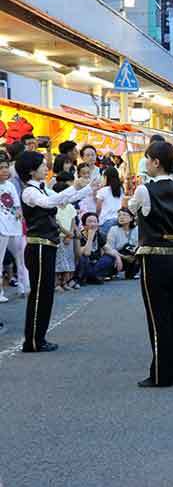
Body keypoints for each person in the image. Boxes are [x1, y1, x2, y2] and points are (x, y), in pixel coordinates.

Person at [17, 150, 96, 353]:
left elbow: (63, 200)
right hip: (39, 246)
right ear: (31, 170)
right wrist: (76, 187)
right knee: (40, 294)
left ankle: (39, 338)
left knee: (46, 294)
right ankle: (33, 340)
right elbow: (50, 203)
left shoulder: (43, 188)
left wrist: (88, 189)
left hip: (47, 245)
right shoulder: (29, 192)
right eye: (42, 165)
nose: (46, 168)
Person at [128, 141, 173, 388]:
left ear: (155, 162)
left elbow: (134, 210)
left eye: (147, 158)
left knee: (157, 316)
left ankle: (160, 373)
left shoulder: (145, 190)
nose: (145, 163)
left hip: (153, 256)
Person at [0, 155, 26, 302]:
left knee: (21, 257)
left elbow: (17, 205)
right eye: (1, 168)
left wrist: (19, 213)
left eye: (6, 167)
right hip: (1, 228)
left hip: (14, 227)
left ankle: (23, 285)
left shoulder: (10, 185)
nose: (4, 170)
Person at [76, 213, 122, 285]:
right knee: (84, 258)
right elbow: (86, 253)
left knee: (109, 257)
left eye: (95, 222)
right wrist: (90, 236)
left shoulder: (100, 235)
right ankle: (90, 277)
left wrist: (117, 257)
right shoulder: (80, 236)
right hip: (85, 265)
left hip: (96, 264)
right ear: (84, 225)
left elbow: (108, 249)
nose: (93, 224)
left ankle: (93, 276)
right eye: (90, 222)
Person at [53, 173, 79, 291]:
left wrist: (71, 234)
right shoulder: (54, 207)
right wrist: (67, 234)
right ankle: (57, 283)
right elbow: (56, 223)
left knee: (69, 260)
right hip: (59, 237)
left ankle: (65, 282)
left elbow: (73, 221)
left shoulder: (70, 207)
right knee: (59, 262)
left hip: (69, 237)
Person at [105, 208, 140, 280]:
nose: (121, 217)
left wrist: (135, 255)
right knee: (109, 257)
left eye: (124, 215)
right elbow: (109, 248)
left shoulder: (137, 229)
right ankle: (111, 272)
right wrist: (122, 257)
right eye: (119, 215)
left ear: (131, 218)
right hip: (118, 255)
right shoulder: (113, 229)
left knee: (140, 252)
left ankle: (133, 272)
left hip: (132, 255)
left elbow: (139, 245)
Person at [96, 167, 124, 236]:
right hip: (119, 220)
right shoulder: (120, 189)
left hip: (106, 222)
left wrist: (96, 217)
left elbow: (98, 208)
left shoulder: (102, 191)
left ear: (106, 177)